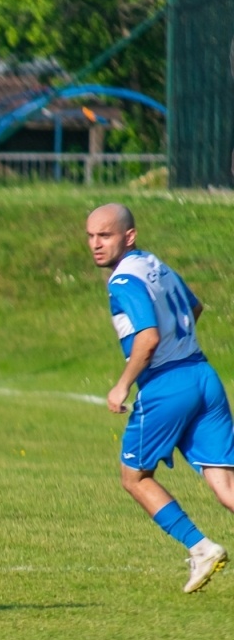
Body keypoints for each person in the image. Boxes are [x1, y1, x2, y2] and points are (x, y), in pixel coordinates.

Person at [88, 202, 233, 593]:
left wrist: (123, 385)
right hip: (203, 376)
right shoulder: (155, 265)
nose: (96, 244)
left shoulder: (123, 281)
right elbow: (195, 306)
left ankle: (201, 548)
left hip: (169, 386)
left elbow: (148, 339)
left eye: (105, 235)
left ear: (128, 236)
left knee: (134, 476)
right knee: (226, 488)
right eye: (91, 236)